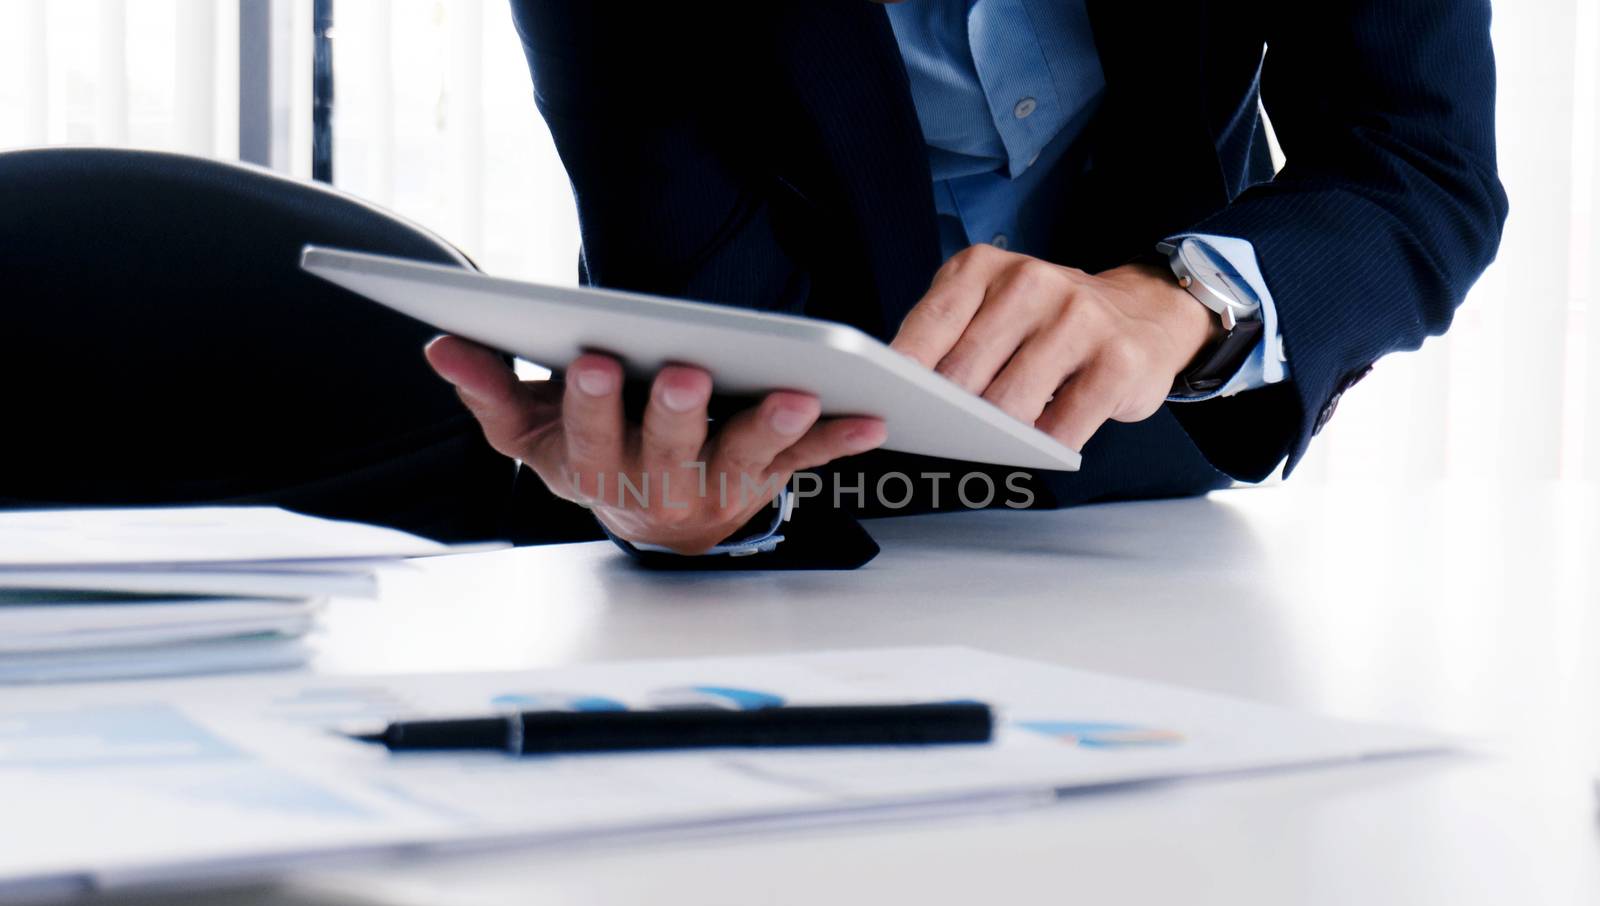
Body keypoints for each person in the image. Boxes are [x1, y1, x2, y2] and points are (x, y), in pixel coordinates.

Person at [425, 0, 1507, 568]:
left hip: (1146, 516)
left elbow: (1418, 162)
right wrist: (697, 504)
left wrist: (1183, 298)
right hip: (793, 545)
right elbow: (699, 298)